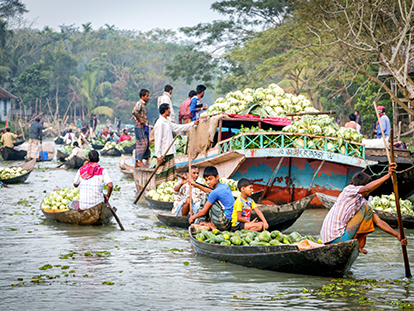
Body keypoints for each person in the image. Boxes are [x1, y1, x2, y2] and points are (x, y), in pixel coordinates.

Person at [320, 163, 407, 254]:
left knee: (367, 210)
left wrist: (398, 235)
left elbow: (379, 222)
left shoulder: (362, 201)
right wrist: (388, 175)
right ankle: (358, 245)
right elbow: (366, 189)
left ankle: (357, 245)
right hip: (336, 238)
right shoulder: (348, 190)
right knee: (367, 209)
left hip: (330, 238)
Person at [154, 103, 197, 186]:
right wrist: (158, 155)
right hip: (163, 153)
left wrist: (193, 124)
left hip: (169, 151)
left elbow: (178, 127)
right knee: (162, 174)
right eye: (169, 109)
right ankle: (160, 189)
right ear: (165, 110)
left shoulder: (167, 122)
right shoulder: (160, 123)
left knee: (170, 175)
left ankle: (170, 188)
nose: (170, 111)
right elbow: (158, 140)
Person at [188, 166, 234, 231]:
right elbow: (210, 191)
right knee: (209, 195)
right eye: (206, 180)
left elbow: (203, 212)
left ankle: (203, 222)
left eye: (210, 179)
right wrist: (196, 185)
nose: (208, 182)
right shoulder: (224, 186)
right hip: (231, 221)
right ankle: (208, 223)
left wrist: (193, 217)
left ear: (217, 177)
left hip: (224, 223)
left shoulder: (214, 193)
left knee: (207, 196)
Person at [132, 89, 151, 168]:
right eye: (147, 96)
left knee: (139, 143)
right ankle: (140, 161)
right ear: (142, 96)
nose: (148, 97)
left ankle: (137, 162)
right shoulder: (139, 103)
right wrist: (140, 120)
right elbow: (134, 112)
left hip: (141, 125)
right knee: (144, 143)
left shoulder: (143, 104)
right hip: (140, 125)